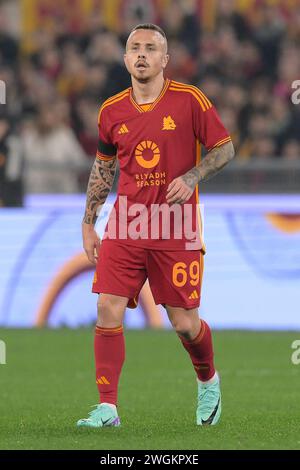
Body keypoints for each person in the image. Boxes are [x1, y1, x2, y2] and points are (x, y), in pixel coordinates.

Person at [78, 23, 234, 428]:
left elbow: (225, 148)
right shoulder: (111, 110)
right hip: (127, 223)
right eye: (135, 48)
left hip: (175, 226)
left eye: (151, 48)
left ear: (165, 59)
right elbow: (103, 168)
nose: (142, 54)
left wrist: (193, 176)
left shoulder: (189, 100)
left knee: (184, 323)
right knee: (107, 307)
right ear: (126, 59)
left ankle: (208, 380)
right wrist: (89, 221)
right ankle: (108, 407)